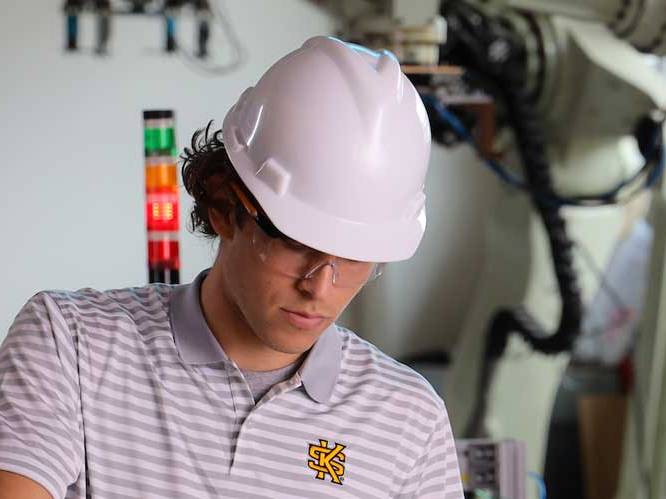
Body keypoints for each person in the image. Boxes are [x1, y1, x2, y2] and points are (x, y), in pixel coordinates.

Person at [0, 36, 463, 498]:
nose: (321, 285)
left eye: (356, 255)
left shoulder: (409, 420)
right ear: (225, 207)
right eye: (297, 243)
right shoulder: (71, 346)